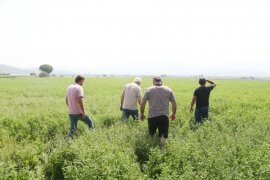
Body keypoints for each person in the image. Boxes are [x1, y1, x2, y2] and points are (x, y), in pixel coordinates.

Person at [140, 77, 177, 147]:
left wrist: (142, 114)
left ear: (153, 82)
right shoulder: (168, 89)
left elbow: (142, 103)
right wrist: (173, 114)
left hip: (152, 117)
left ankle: (151, 150)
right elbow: (174, 103)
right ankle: (162, 150)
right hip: (164, 116)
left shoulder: (149, 90)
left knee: (151, 135)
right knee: (163, 136)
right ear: (161, 81)